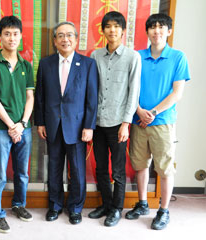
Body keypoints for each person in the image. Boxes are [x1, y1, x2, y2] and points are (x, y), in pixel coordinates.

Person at [126, 13, 190, 230]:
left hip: (162, 122)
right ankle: (142, 203)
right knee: (140, 165)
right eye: (152, 27)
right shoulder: (137, 56)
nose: (156, 31)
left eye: (161, 27)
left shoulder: (178, 57)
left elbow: (177, 93)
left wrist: (151, 113)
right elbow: (129, 89)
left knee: (164, 169)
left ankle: (163, 210)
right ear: (147, 32)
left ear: (169, 31)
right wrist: (138, 111)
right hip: (138, 120)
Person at [34, 21, 98, 225]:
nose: (65, 39)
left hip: (78, 127)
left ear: (76, 39)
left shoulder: (87, 64)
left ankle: (76, 208)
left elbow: (92, 98)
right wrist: (41, 122)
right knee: (54, 168)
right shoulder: (45, 64)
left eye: (69, 35)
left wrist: (89, 126)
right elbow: (40, 96)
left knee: (77, 170)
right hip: (52, 125)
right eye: (60, 35)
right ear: (54, 40)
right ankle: (55, 205)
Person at [87, 11, 141, 227]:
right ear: (103, 30)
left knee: (118, 170)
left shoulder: (132, 57)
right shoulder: (95, 56)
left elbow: (133, 92)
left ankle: (117, 209)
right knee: (100, 167)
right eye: (108, 26)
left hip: (119, 122)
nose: (112, 30)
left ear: (123, 30)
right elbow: (91, 91)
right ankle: (106, 205)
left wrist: (126, 123)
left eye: (116, 26)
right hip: (98, 122)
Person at [0, 15, 34, 233]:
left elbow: (30, 97)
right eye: (7, 34)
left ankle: (19, 205)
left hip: (24, 128)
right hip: (1, 129)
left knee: (22, 172)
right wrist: (11, 125)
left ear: (21, 36)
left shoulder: (26, 65)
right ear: (0, 36)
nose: (12, 38)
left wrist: (22, 123)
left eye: (15, 34)